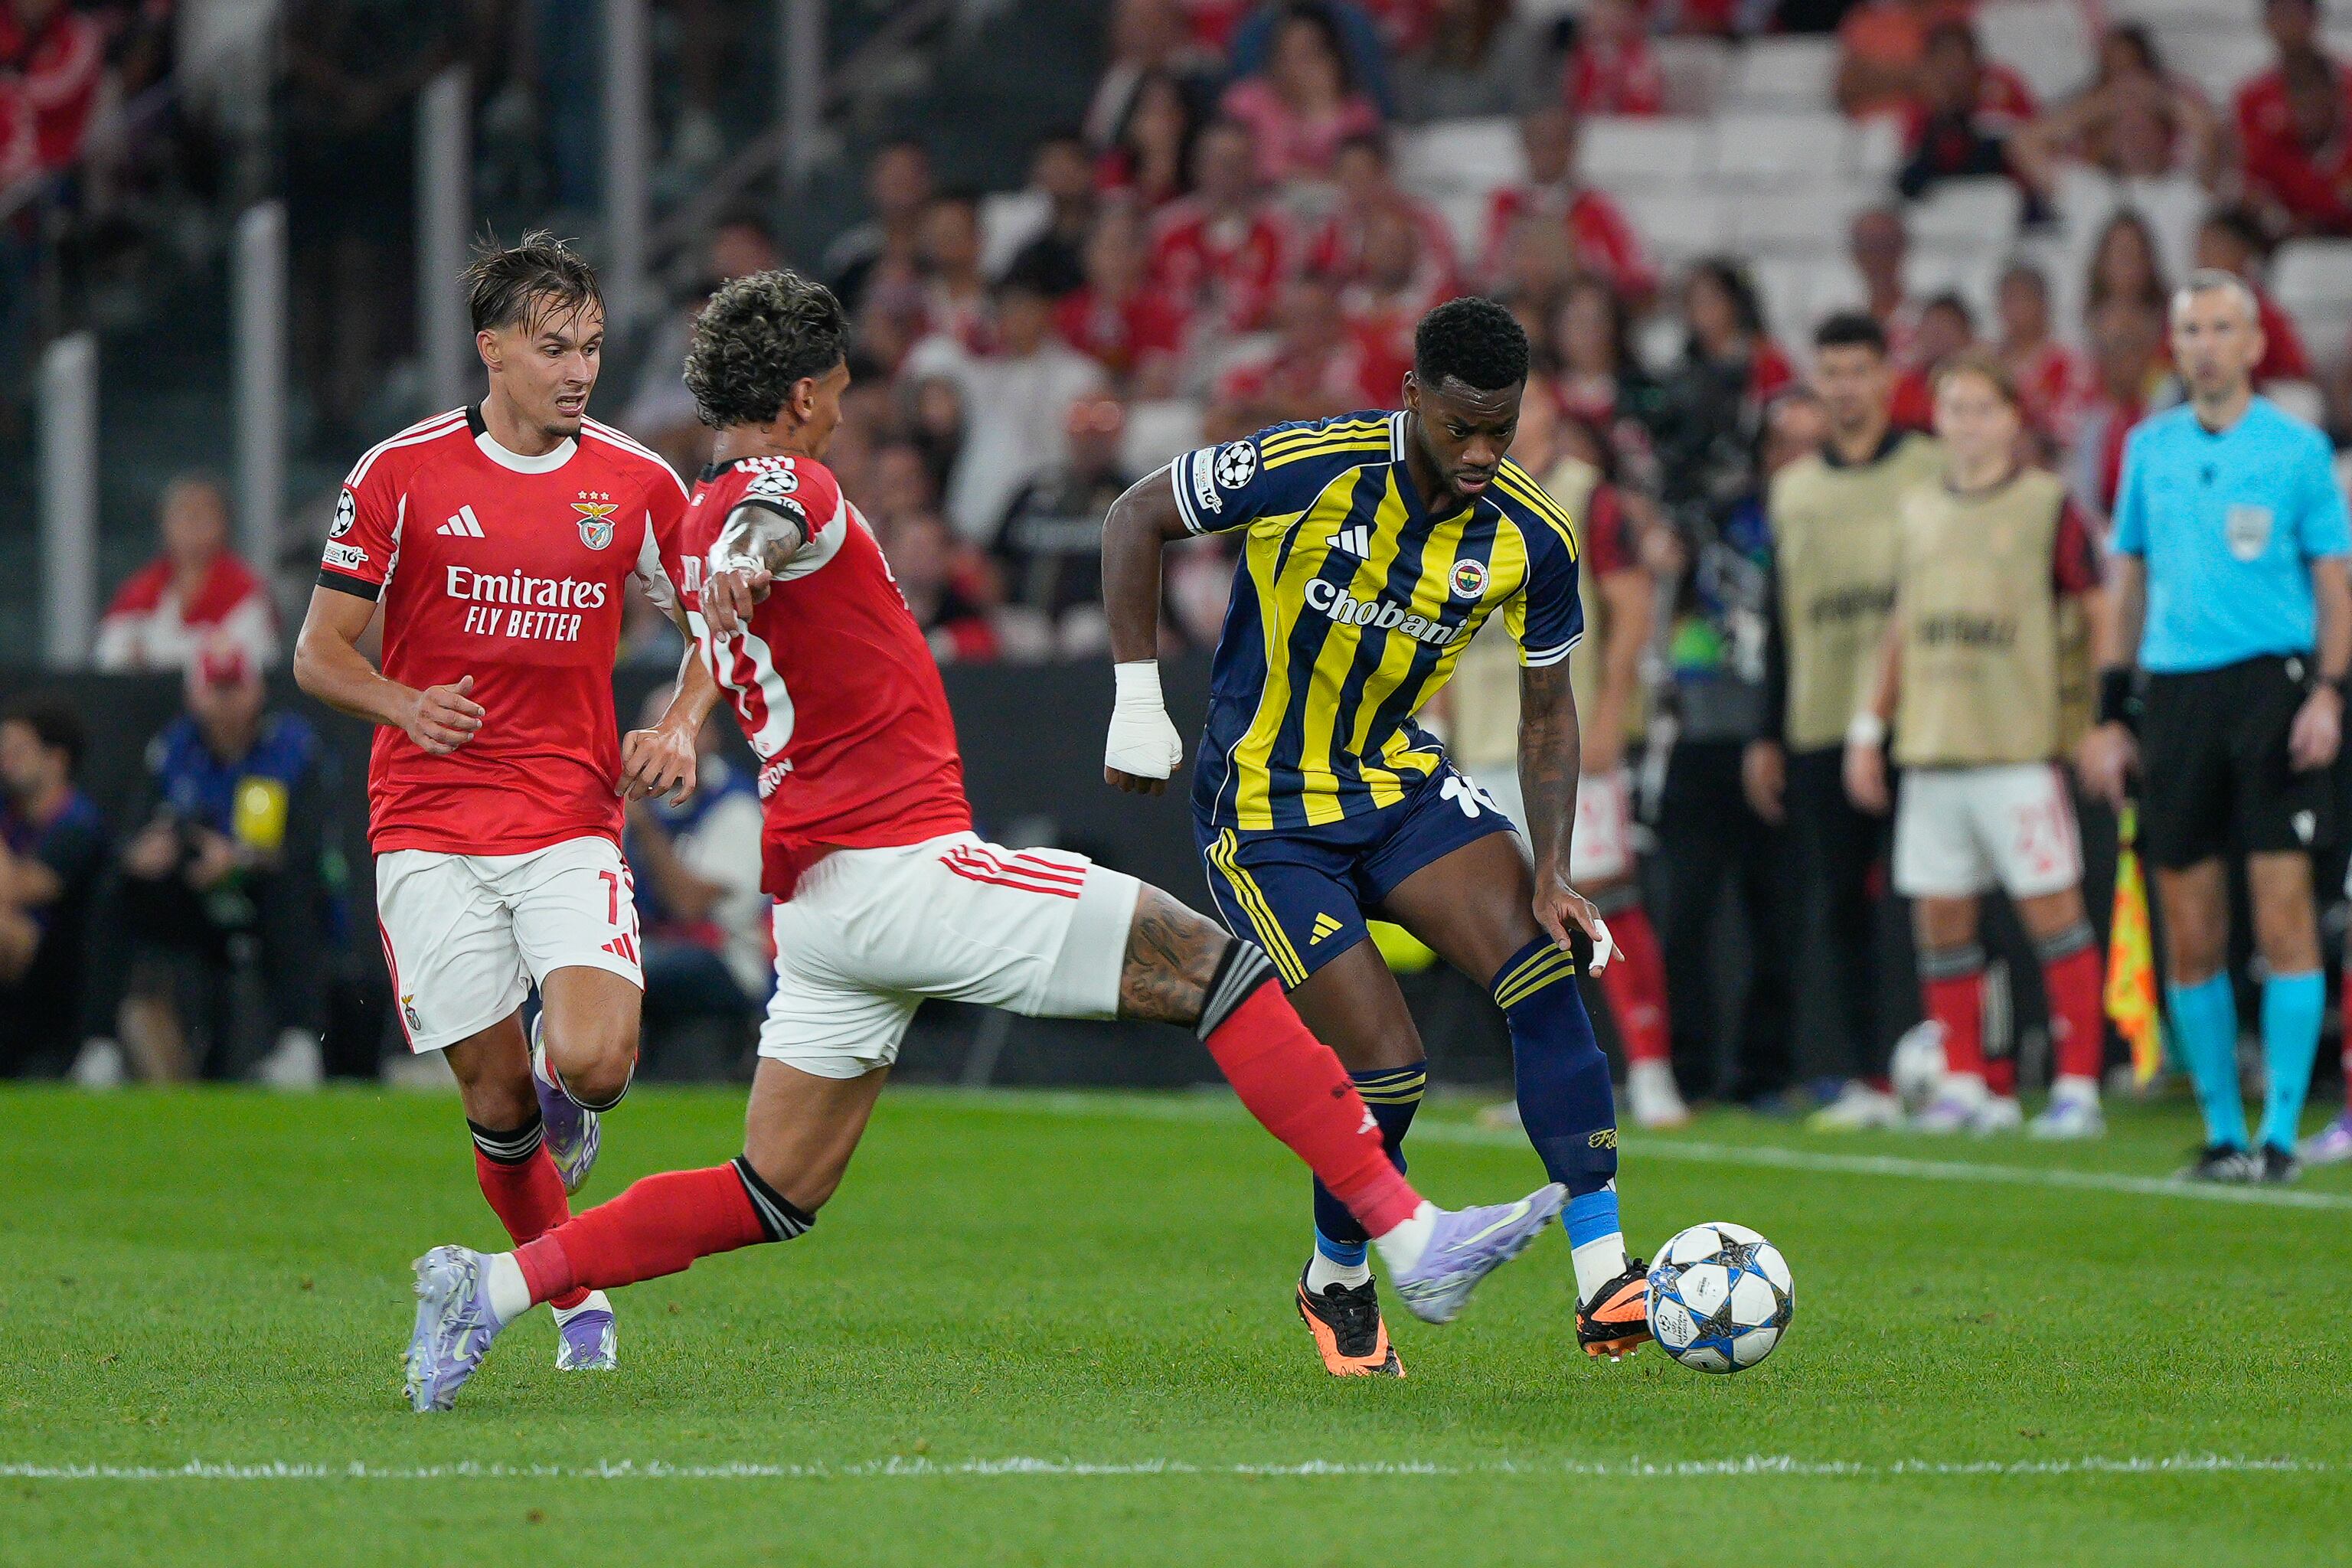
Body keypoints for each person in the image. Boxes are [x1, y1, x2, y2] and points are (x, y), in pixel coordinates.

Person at [398, 270, 1563, 1412]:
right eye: (842, 389)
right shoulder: (773, 490)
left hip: (822, 906)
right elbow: (775, 514)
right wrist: (756, 547)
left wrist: (742, 558)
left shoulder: (699, 515)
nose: (847, 408)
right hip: (908, 871)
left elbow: (748, 533)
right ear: (805, 396)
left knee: (774, 1190)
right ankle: (1410, 1240)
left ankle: (492, 1287)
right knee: (1219, 968)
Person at [1099, 296, 1656, 1377]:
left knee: (1545, 969)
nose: (1484, 453)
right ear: (1412, 400)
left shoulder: (1533, 535)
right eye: (1462, 429)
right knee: (1389, 1071)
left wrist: (1551, 870)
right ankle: (1336, 1278)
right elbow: (1133, 516)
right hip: (1264, 810)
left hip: (1394, 784)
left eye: (1504, 427)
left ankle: (1606, 1282)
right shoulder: (1313, 466)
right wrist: (1135, 698)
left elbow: (1550, 709)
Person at [294, 234, 716, 1374]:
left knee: (598, 1065)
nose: (579, 369)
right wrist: (400, 701)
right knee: (494, 1099)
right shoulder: (401, 472)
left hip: (568, 814)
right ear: (492, 351)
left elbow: (718, 631)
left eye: (589, 346)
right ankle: (573, 1298)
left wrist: (678, 724)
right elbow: (318, 653)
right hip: (426, 825)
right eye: (552, 347)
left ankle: (559, 1091)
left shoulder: (636, 482)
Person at [2080, 270, 2352, 1184]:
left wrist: (2330, 692)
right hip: (2178, 699)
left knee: (2283, 913)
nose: (2202, 342)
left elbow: (2333, 585)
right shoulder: (2148, 450)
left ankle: (2278, 1134)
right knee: (2190, 926)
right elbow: (2128, 587)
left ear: (2253, 344)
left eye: (2219, 326)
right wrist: (2110, 715)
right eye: (2189, 327)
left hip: (2275, 690)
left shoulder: (2298, 448)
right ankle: (2224, 1133)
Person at [1844, 352, 2112, 1137]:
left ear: (2012, 419)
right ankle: (1963, 1080)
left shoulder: (2045, 504)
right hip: (1933, 747)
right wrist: (1871, 725)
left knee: (2055, 916)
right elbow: (1902, 620)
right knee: (1942, 920)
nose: (1966, 424)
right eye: (1953, 409)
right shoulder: (1918, 508)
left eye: (1981, 409)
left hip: (2017, 749)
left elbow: (2097, 607)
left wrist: (2098, 711)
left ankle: (2078, 1089)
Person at [1448, 396, 1684, 1129]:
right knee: (1515, 917)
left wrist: (1612, 713)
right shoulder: (1455, 497)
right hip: (1485, 738)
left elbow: (1633, 608)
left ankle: (1652, 1075)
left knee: (1608, 896)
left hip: (1565, 739)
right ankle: (1550, 1086)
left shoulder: (1586, 496)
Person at [1753, 312, 1944, 1131]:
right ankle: (1870, 1070)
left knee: (1928, 899)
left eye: (1858, 369)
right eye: (1831, 371)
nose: (1845, 386)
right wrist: (1768, 730)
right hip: (1822, 719)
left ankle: (1944, 1066)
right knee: (1839, 905)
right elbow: (1781, 615)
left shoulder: (1931, 470)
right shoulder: (1794, 488)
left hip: (1922, 718)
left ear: (1887, 376)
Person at [1654, 392, 1818, 1108]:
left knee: (1776, 916)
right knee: (1685, 914)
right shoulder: (1718, 519)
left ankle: (1765, 1073)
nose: (1795, 460)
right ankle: (1686, 1069)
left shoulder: (1832, 522)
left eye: (1810, 445)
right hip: (1707, 733)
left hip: (1790, 735)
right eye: (1783, 443)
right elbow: (1683, 615)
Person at [113, 647, 335, 1086]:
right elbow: (138, 830)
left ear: (257, 691)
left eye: (235, 689)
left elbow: (308, 842)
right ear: (194, 694)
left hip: (264, 893)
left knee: (293, 889)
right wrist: (150, 852)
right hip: (192, 893)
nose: (226, 702)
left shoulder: (292, 745)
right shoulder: (173, 747)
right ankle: (103, 1042)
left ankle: (300, 1045)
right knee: (118, 892)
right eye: (216, 690)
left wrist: (240, 858)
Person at [622, 689, 767, 1076]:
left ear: (710, 736)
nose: (666, 741)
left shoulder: (735, 806)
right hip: (651, 947)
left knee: (634, 970)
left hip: (728, 959)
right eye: (655, 729)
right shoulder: (635, 801)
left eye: (679, 727)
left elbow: (688, 906)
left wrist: (644, 828)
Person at [0, 698, 105, 1076]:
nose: (5, 763)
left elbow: (17, 889)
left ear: (56, 760)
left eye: (17, 751)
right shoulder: (10, 814)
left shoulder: (78, 822)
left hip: (57, 980)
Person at [994, 396, 1137, 657]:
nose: (1090, 443)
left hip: (1095, 617)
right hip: (1027, 616)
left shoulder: (1132, 494)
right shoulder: (1035, 492)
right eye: (1082, 433)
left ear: (1117, 439)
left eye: (1100, 435)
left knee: (1083, 631)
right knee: (1025, 634)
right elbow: (995, 557)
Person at [93, 475, 278, 674]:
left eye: (202, 515)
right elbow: (109, 655)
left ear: (223, 524)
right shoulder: (140, 590)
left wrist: (152, 653)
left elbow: (258, 657)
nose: (191, 524)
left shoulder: (245, 589)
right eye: (183, 514)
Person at [1219, 2, 1383, 185]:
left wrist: (1321, 109)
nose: (1295, 66)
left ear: (1333, 58)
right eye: (1286, 54)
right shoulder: (1246, 100)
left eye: (1308, 54)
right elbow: (1245, 167)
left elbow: (1355, 176)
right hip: (1261, 201)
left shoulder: (1357, 112)